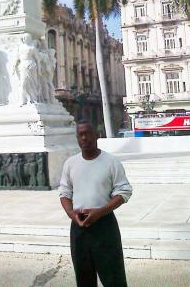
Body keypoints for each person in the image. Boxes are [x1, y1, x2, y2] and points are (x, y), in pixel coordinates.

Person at [59, 120, 132, 287]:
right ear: (77, 138)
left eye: (88, 133)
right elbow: (64, 193)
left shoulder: (111, 162)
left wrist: (100, 211)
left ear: (97, 135)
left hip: (104, 225)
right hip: (79, 226)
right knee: (84, 277)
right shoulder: (71, 164)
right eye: (80, 134)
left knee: (113, 277)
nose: (84, 138)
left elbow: (124, 191)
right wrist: (72, 214)